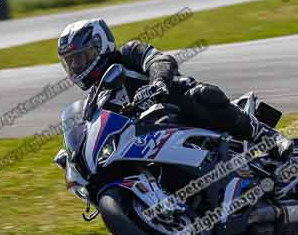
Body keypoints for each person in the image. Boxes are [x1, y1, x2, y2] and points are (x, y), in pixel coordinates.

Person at [57, 18, 284, 151]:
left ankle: (265, 135)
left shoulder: (129, 53)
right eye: (71, 62)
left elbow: (160, 60)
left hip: (179, 110)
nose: (77, 66)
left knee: (200, 95)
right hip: (149, 142)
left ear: (101, 46)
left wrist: (157, 84)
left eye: (81, 57)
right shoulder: (95, 100)